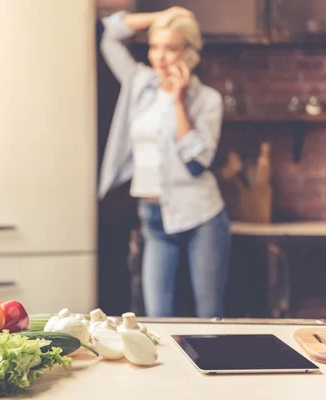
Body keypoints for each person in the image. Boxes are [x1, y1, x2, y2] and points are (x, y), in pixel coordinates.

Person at [97, 7, 230, 318]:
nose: (160, 56)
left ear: (190, 53)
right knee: (158, 318)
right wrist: (161, 15)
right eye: (155, 46)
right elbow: (106, 34)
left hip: (202, 216)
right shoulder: (138, 83)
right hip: (154, 219)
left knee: (210, 316)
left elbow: (197, 162)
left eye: (171, 48)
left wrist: (179, 101)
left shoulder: (207, 99)